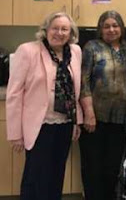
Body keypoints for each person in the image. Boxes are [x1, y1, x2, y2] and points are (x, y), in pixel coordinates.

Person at [6, 12, 83, 200]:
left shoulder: (75, 51)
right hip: (38, 125)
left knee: (57, 175)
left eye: (64, 29)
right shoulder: (28, 50)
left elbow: (75, 90)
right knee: (35, 177)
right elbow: (14, 93)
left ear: (71, 32)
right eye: (55, 28)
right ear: (46, 30)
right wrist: (15, 133)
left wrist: (76, 122)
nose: (59, 33)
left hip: (64, 124)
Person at [79, 10, 126, 200]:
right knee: (92, 166)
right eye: (106, 26)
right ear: (100, 29)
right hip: (94, 118)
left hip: (121, 118)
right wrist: (88, 113)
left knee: (112, 167)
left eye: (115, 26)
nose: (111, 30)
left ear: (121, 28)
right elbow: (84, 81)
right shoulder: (92, 47)